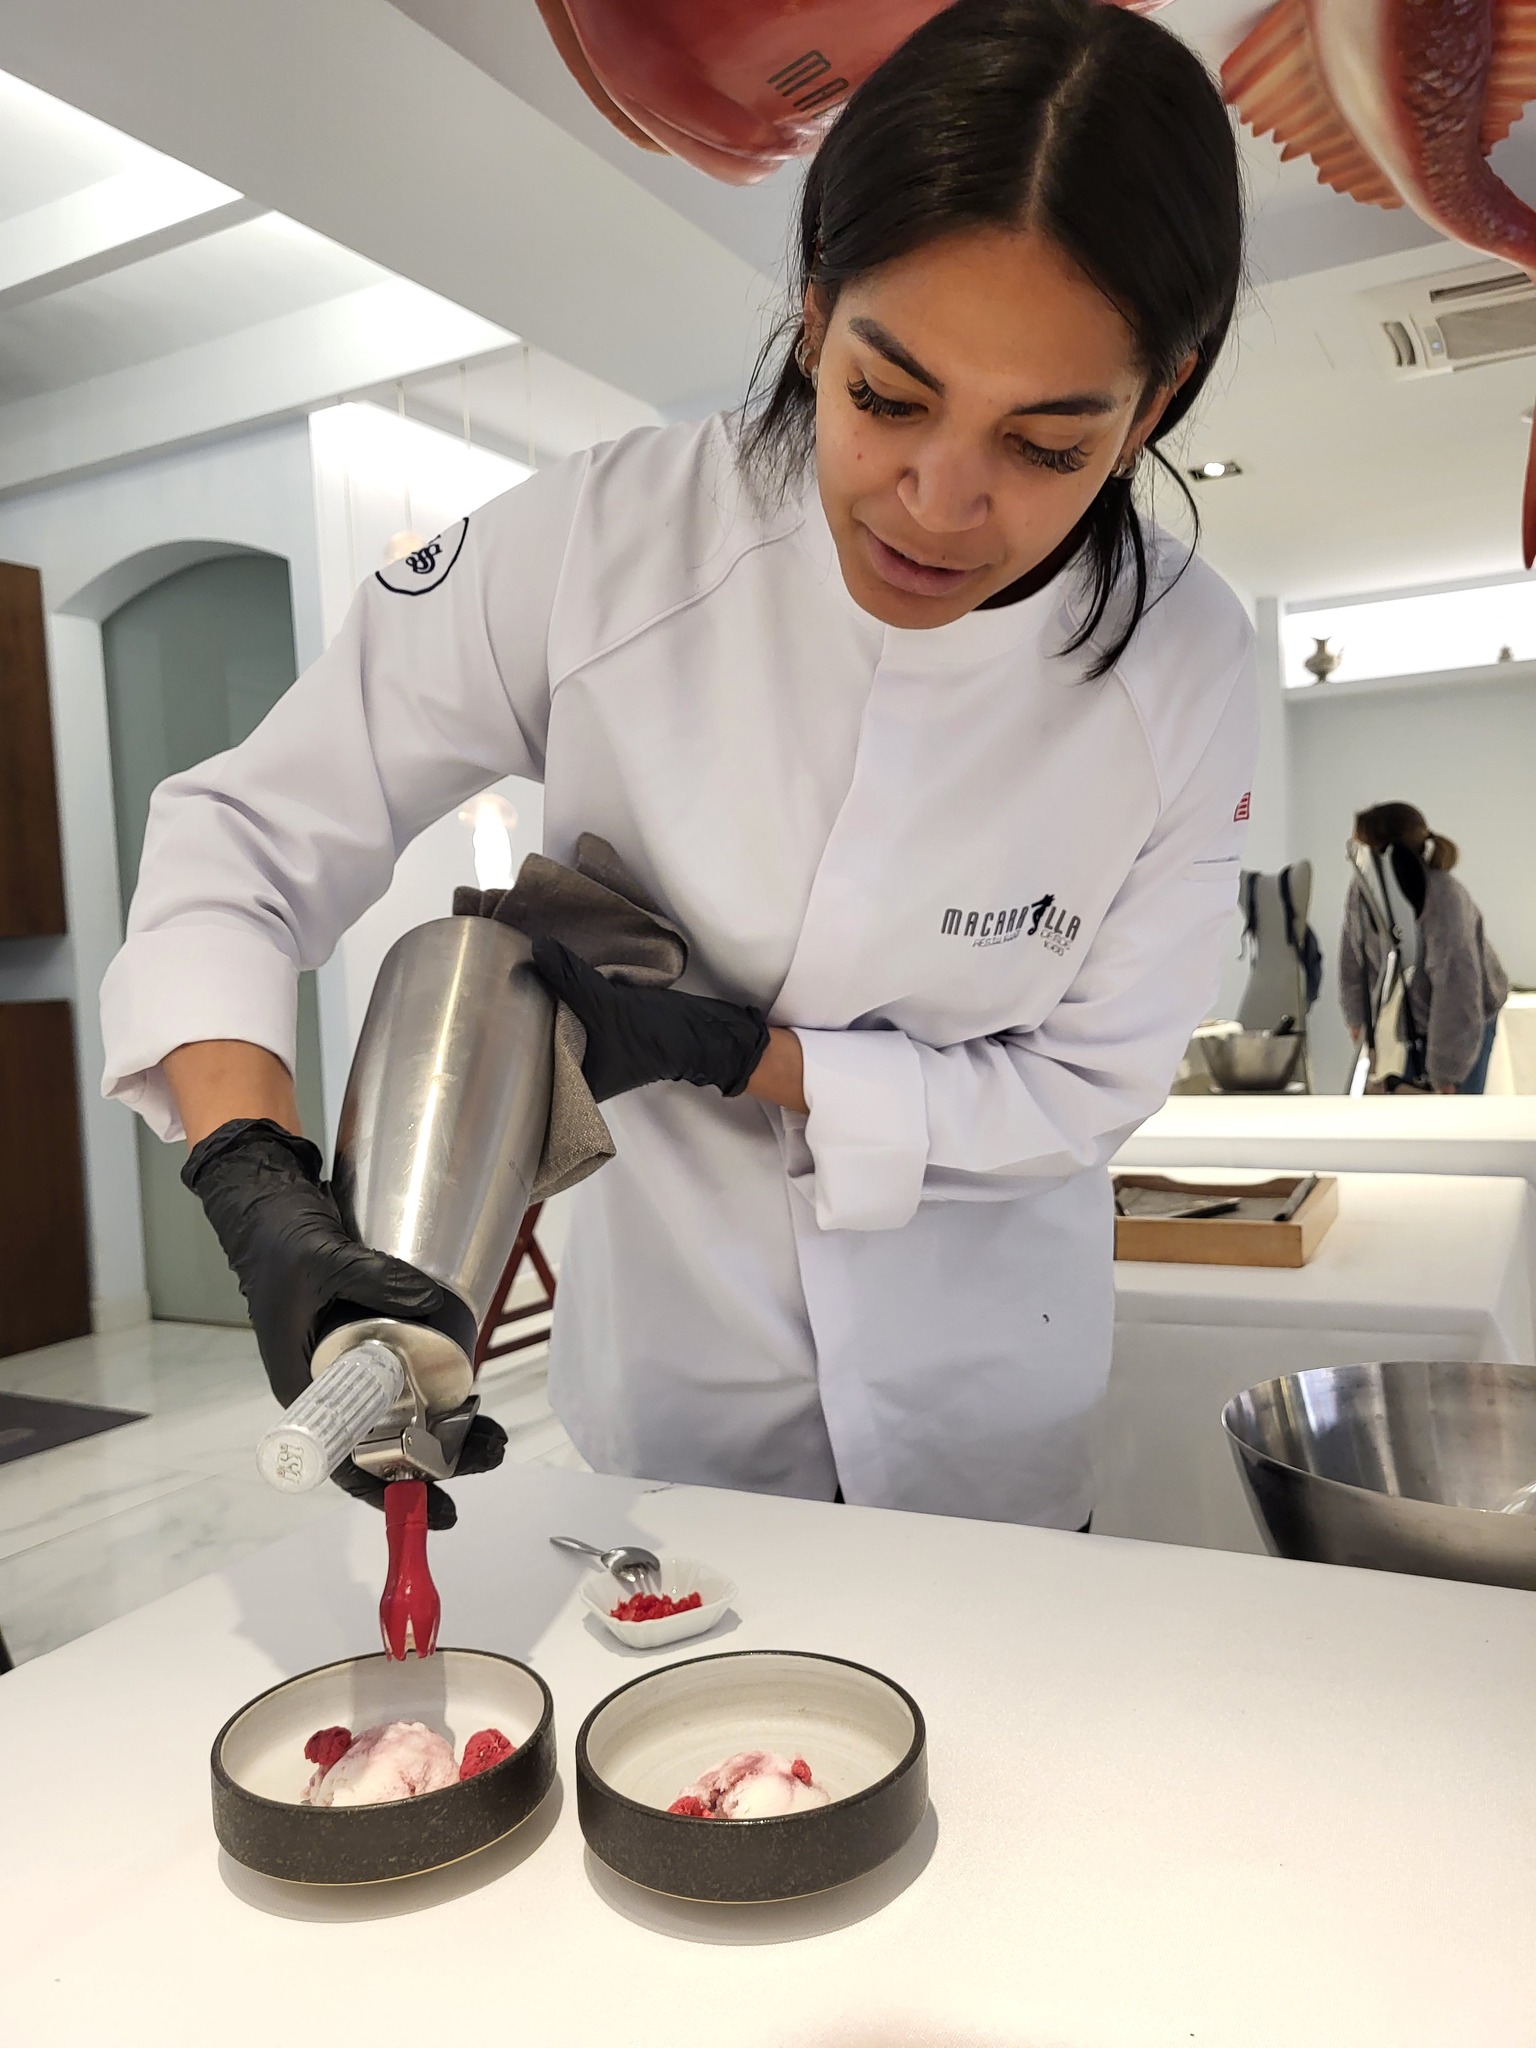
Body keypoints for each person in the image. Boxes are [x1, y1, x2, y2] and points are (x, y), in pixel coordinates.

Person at [100, 0, 1255, 1533]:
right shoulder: (602, 543)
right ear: (815, 303)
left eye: (1047, 445)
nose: (938, 501)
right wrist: (250, 1171)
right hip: (674, 1420)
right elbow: (246, 834)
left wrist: (733, 1055)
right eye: (885, 396)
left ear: (1155, 403)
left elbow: (1082, 1092)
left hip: (992, 1414)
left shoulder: (1187, 664)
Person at [1340, 802, 1508, 1095]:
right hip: (1416, 1015)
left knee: (1451, 1122)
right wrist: (1357, 1017)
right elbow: (1352, 957)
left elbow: (1458, 989)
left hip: (1464, 1019)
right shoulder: (1364, 891)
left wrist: (1445, 1071)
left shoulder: (1444, 900)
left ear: (1387, 853)